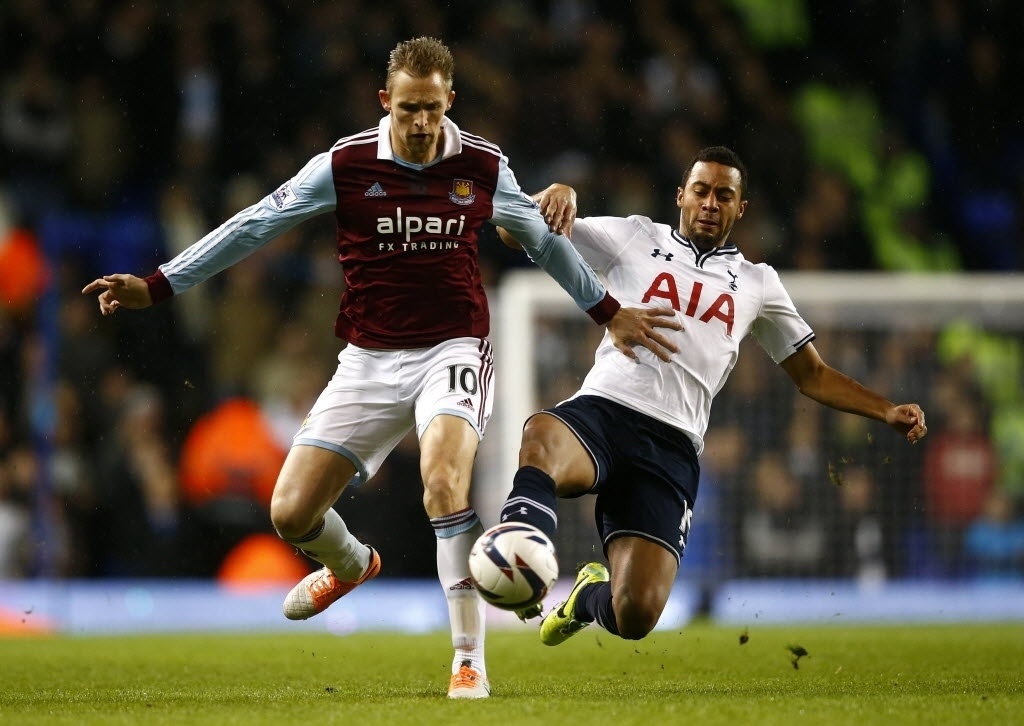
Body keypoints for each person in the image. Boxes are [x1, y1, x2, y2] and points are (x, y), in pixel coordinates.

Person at [81, 37, 674, 698]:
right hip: (367, 359)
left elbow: (543, 242)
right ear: (385, 100)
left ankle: (468, 659)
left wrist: (607, 311)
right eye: (408, 108)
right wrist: (158, 284)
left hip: (453, 348)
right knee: (290, 513)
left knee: (443, 484)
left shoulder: (482, 165)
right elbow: (253, 225)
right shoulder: (344, 164)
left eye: (432, 108)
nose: (420, 122)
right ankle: (351, 564)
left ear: (450, 102)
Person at [495, 145, 927, 645]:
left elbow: (812, 375)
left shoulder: (758, 284)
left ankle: (585, 596)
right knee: (542, 435)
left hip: (672, 445)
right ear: (681, 195)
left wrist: (885, 409)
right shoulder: (634, 236)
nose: (710, 203)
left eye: (724, 195)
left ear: (740, 208)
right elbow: (514, 232)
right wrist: (556, 195)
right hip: (606, 410)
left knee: (635, 615)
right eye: (701, 191)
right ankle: (519, 546)